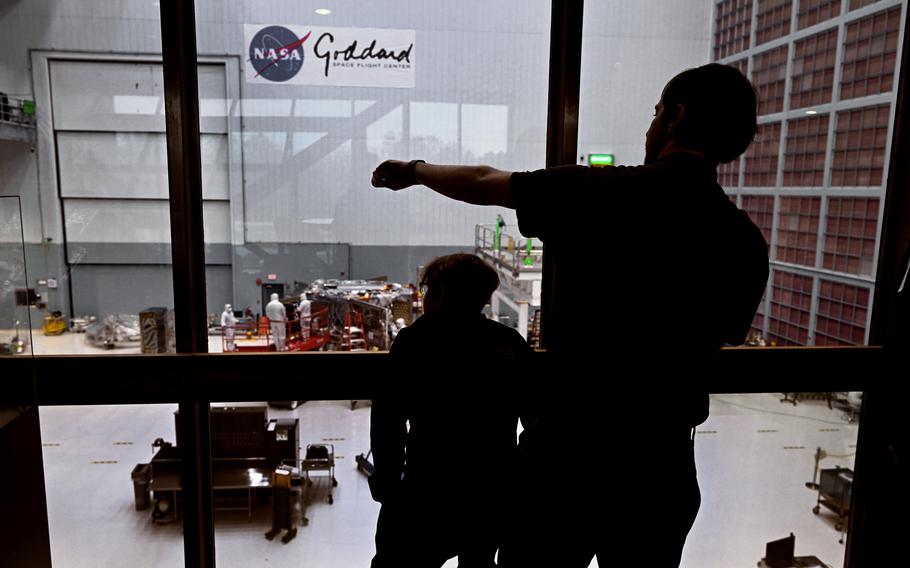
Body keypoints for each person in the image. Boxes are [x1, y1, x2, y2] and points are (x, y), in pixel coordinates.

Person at [371, 63, 770, 567]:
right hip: (660, 465)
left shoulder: (596, 193)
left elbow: (481, 179)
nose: (649, 125)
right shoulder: (743, 240)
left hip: (567, 457)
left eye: (654, 112)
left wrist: (412, 171)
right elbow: (723, 338)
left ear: (675, 117)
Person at [370, 253, 532, 568]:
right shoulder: (509, 343)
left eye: (428, 289)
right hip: (489, 494)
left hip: (427, 490)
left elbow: (388, 420)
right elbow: (536, 418)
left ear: (441, 292)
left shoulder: (417, 342)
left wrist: (389, 485)